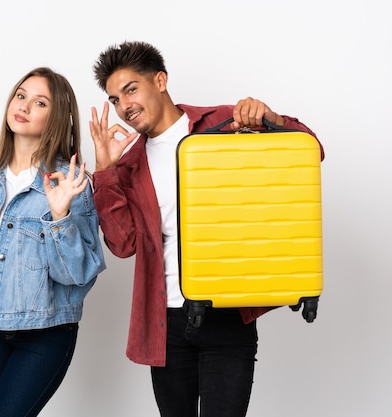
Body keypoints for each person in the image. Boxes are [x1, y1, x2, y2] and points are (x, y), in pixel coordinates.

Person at [88, 41, 324, 417]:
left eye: (130, 89)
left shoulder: (227, 122)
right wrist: (105, 172)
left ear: (160, 80)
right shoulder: (128, 164)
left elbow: (311, 150)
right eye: (115, 99)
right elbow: (122, 244)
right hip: (165, 320)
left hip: (226, 312)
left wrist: (271, 118)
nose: (124, 105)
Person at [0, 67, 106, 417]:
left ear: (57, 117)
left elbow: (79, 275)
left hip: (46, 334)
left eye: (39, 102)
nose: (25, 106)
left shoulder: (70, 183)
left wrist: (60, 217)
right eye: (21, 95)